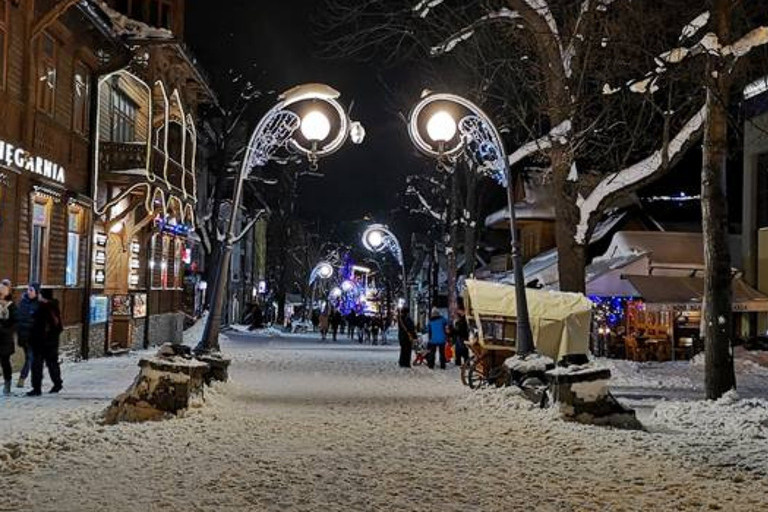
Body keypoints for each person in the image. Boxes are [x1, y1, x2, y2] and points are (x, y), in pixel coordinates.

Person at [27, 288, 63, 396]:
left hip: (41, 342)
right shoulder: (54, 307)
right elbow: (59, 327)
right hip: (52, 341)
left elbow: (38, 326)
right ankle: (57, 383)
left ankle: (37, 388)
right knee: (52, 363)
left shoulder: (43, 308)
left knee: (37, 365)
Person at [15, 283, 40, 389]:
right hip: (25, 336)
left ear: (36, 292)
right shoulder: (23, 303)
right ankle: (23, 378)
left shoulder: (39, 304)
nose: (29, 292)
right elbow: (19, 319)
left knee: (30, 357)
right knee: (30, 357)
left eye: (31, 290)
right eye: (28, 290)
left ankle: (24, 379)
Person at [0, 279, 17, 395]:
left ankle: (7, 384)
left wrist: (3, 329)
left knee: (5, 362)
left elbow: (14, 323)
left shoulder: (11, 306)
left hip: (5, 339)